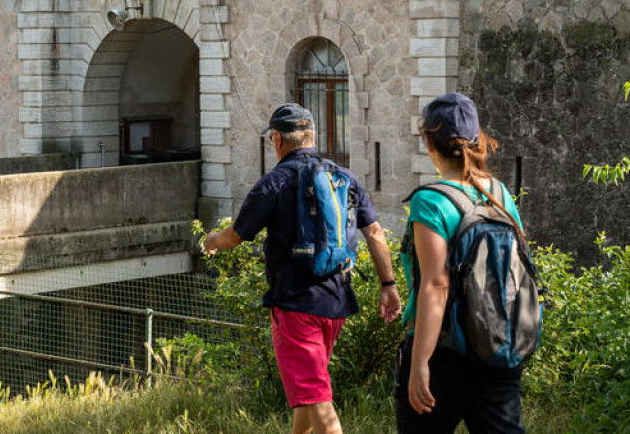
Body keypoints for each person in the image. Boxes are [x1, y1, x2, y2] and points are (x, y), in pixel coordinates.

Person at [204, 103, 401, 434]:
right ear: (312, 136)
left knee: (317, 401)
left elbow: (236, 236)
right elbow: (375, 233)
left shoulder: (274, 182)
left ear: (276, 139)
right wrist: (389, 285)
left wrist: (211, 240)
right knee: (310, 394)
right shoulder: (345, 177)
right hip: (336, 303)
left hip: (295, 306)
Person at [395, 92, 527, 433]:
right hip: (499, 343)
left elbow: (436, 285)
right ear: (477, 141)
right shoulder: (499, 193)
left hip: (444, 352)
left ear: (429, 142)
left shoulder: (431, 201)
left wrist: (420, 362)